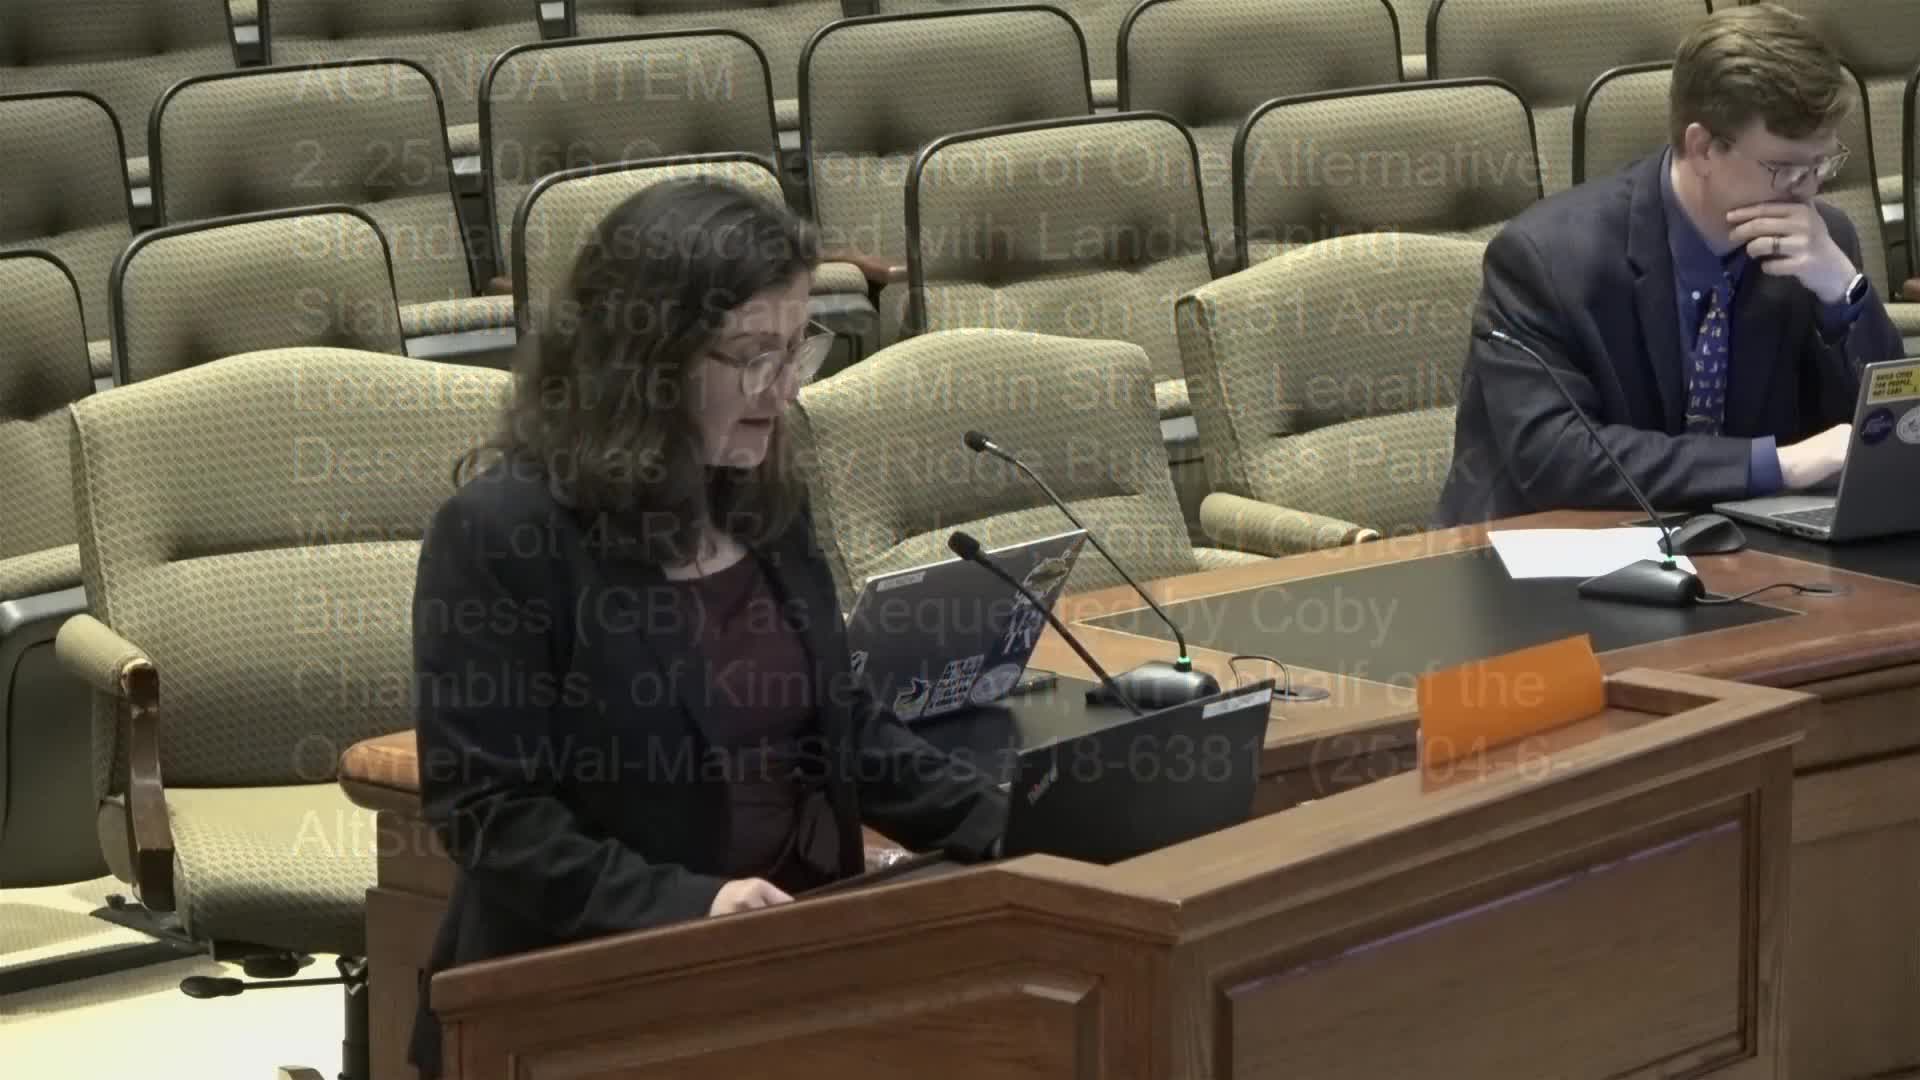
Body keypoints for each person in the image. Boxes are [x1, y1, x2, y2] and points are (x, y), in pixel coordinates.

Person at [406, 179, 1008, 1076]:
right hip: (586, 998)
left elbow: (841, 729)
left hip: (799, 965)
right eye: (752, 355)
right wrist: (693, 905)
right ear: (644, 361)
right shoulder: (503, 535)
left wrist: (1005, 820)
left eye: (797, 347)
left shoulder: (763, 499)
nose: (784, 387)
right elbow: (493, 817)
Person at [1434, 3, 1904, 525]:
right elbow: (1557, 458)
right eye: (1786, 168)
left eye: (1823, 162)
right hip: (1551, 548)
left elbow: (1886, 438)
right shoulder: (1543, 260)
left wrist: (1843, 292)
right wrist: (1777, 464)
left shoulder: (1820, 245)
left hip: (1738, 544)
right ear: (1702, 147)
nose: (1810, 188)